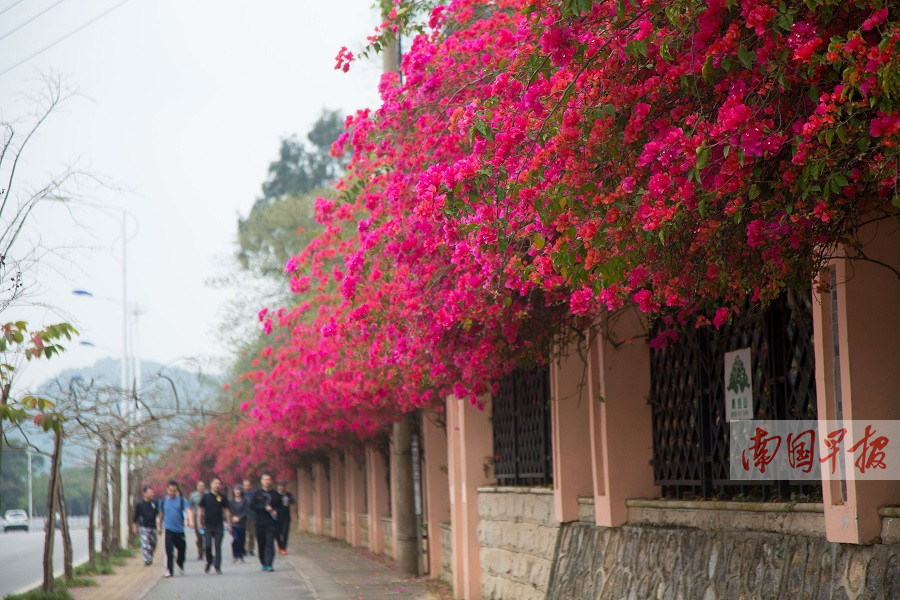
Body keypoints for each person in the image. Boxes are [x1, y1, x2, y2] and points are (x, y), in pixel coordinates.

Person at [156, 480, 193, 578]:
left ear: (177, 490)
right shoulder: (163, 501)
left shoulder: (181, 500)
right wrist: (159, 526)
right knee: (169, 551)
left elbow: (188, 511)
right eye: (170, 490)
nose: (172, 493)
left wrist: (190, 521)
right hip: (168, 529)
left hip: (179, 530)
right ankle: (169, 570)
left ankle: (180, 563)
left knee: (182, 550)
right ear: (167, 490)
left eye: (174, 491)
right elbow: (161, 514)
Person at [249, 472, 282, 572]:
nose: (267, 481)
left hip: (271, 523)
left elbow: (281, 506)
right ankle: (263, 562)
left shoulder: (275, 494)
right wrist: (264, 508)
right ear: (261, 481)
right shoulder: (257, 494)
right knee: (261, 544)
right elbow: (252, 506)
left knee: (270, 543)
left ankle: (269, 564)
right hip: (259, 523)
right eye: (265, 479)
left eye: (269, 479)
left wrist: (276, 511)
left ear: (271, 481)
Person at [198, 477, 231, 574]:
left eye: (219, 484)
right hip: (208, 525)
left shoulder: (222, 497)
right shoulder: (206, 497)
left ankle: (217, 566)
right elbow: (200, 509)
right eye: (215, 483)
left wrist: (229, 523)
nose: (217, 485)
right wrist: (199, 522)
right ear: (211, 484)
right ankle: (209, 560)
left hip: (219, 525)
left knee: (217, 546)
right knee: (207, 545)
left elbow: (226, 510)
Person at [132, 486, 159, 566]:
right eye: (150, 492)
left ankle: (150, 555)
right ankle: (147, 560)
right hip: (143, 527)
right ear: (145, 493)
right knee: (145, 544)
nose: (152, 494)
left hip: (153, 527)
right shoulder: (140, 504)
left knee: (153, 543)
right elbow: (135, 517)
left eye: (152, 492)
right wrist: (135, 527)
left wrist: (159, 524)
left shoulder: (154, 503)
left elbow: (158, 514)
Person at [229, 485, 249, 562]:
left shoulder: (245, 501)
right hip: (234, 524)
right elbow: (229, 511)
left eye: (238, 490)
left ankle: (240, 555)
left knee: (242, 540)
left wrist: (239, 517)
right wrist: (232, 518)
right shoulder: (231, 501)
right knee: (236, 539)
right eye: (235, 490)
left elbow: (246, 511)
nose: (237, 491)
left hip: (242, 524)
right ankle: (235, 555)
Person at [275, 480, 295, 555]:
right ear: (278, 486)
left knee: (285, 532)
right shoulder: (275, 494)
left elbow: (293, 502)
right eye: (280, 485)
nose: (281, 487)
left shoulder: (288, 494)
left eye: (283, 485)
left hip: (286, 517)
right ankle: (280, 546)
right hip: (276, 517)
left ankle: (283, 548)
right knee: (277, 534)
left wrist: (290, 501)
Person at [188, 480, 206, 560]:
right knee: (199, 537)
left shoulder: (207, 495)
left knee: (207, 535)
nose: (201, 487)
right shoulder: (193, 496)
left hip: (206, 517)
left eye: (203, 486)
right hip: (196, 517)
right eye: (200, 486)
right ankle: (200, 552)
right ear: (197, 486)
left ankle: (207, 551)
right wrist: (190, 520)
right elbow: (190, 508)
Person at [242, 478, 256, 556]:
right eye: (245, 485)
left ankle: (250, 549)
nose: (246, 487)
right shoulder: (241, 494)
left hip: (252, 517)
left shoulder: (253, 494)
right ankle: (243, 549)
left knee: (251, 534)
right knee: (244, 534)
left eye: (248, 485)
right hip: (243, 517)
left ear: (250, 486)